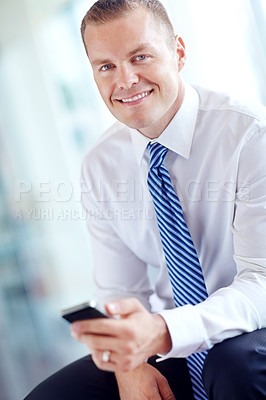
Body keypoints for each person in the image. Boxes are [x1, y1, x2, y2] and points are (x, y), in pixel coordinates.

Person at [25, 0, 266, 399]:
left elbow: (262, 281)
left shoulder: (250, 135)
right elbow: (121, 291)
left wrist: (163, 331)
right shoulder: (101, 164)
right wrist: (130, 364)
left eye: (141, 57)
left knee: (232, 364)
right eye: (106, 67)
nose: (125, 80)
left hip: (251, 324)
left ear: (179, 53)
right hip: (165, 337)